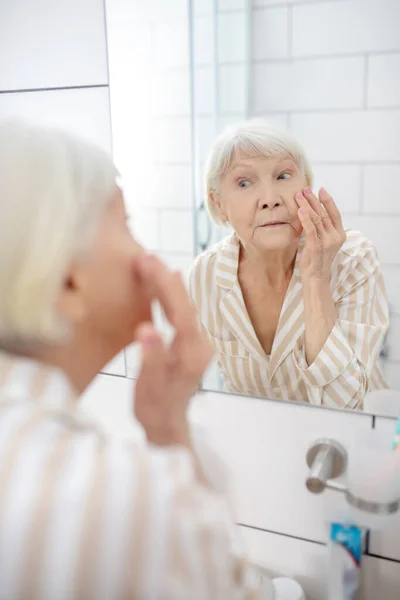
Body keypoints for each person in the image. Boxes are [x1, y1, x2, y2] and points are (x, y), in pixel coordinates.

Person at [0, 119, 266, 599]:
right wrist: (172, 437)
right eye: (125, 223)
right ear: (66, 280)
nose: (146, 252)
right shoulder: (115, 497)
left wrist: (166, 421)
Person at [189, 120, 389, 409]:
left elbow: (344, 407)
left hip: (354, 444)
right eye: (244, 182)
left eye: (283, 176)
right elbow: (187, 388)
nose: (270, 200)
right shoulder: (205, 275)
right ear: (218, 204)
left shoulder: (354, 260)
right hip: (264, 441)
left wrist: (317, 279)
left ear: (305, 187)